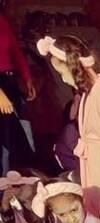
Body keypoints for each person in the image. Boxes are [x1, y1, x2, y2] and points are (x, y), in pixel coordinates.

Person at [36, 34, 100, 215]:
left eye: (62, 73)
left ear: (73, 67)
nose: (63, 80)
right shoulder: (86, 96)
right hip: (94, 170)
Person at [0, 1, 36, 169]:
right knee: (6, 141)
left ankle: (15, 179)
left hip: (9, 81)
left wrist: (27, 78)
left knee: (19, 134)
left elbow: (15, 50)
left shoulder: (2, 20)